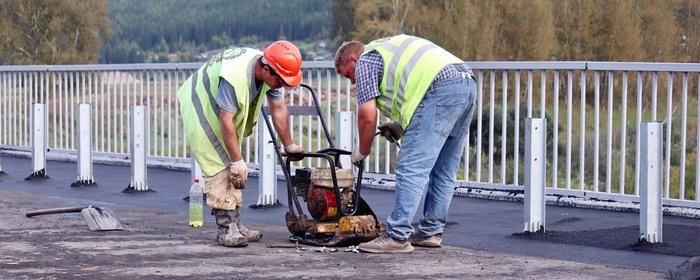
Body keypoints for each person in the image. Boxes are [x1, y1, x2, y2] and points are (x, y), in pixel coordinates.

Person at [334, 34, 477, 253]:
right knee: (443, 170)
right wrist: (398, 124)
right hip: (466, 82)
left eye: (348, 75)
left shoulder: (366, 60)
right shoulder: (386, 50)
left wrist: (362, 152)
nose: (352, 81)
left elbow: (367, 116)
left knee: (411, 167)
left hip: (440, 86)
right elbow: (411, 92)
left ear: (352, 59)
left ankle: (397, 236)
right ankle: (431, 232)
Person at [177, 41, 304, 247]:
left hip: (221, 113)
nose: (282, 84)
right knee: (221, 167)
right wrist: (237, 160)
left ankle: (236, 223)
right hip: (201, 109)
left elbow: (279, 109)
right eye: (280, 80)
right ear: (265, 68)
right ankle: (226, 228)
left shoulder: (272, 70)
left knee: (233, 169)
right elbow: (226, 119)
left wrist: (289, 145)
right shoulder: (234, 77)